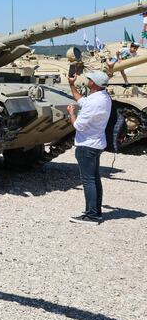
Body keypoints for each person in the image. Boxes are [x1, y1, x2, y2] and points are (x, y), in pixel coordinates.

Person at [66, 70, 112, 225]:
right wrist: (72, 85)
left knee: (88, 180)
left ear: (94, 84)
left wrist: (72, 113)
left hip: (86, 146)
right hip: (97, 143)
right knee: (94, 179)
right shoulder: (103, 97)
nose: (88, 80)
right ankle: (95, 212)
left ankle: (91, 216)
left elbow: (78, 125)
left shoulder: (94, 101)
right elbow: (82, 101)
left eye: (90, 79)